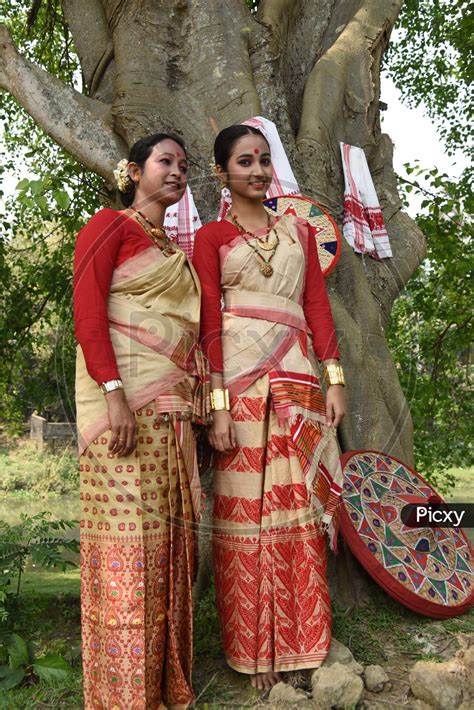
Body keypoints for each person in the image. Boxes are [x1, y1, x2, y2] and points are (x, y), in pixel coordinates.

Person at [192, 124, 346, 691]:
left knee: (300, 510)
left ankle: (303, 641)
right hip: (239, 382)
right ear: (222, 173)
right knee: (244, 520)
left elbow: (317, 307)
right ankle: (256, 652)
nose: (257, 171)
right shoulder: (210, 238)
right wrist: (218, 404)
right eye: (244, 162)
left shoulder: (299, 233)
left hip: (298, 377)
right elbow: (210, 320)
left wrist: (334, 379)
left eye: (262, 161)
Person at [74, 133, 206, 709]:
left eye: (183, 164)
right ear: (133, 171)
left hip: (168, 417)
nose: (177, 171)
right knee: (125, 548)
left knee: (165, 545)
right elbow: (88, 311)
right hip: (121, 413)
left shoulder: (174, 249)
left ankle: (157, 684)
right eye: (164, 162)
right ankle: (120, 693)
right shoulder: (108, 224)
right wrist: (114, 393)